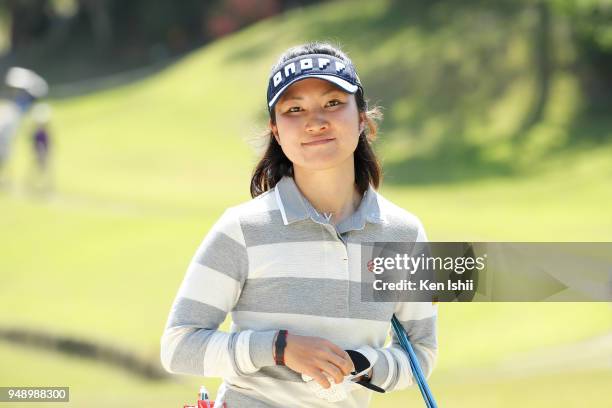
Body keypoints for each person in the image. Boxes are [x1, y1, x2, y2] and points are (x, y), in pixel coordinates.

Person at [161, 41, 438, 407]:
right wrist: (279, 348)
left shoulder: (405, 235)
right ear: (276, 131)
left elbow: (421, 353)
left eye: (333, 103)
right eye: (294, 109)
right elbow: (179, 346)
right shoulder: (241, 229)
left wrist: (361, 365)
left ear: (362, 119)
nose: (315, 121)